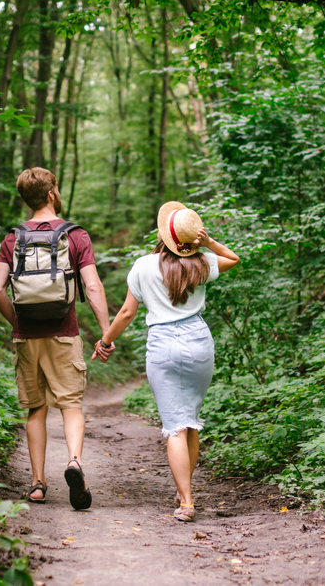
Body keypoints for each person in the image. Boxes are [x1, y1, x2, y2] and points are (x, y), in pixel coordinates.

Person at [92, 201, 239, 522]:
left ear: (163, 235)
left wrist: (106, 341)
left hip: (162, 346)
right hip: (199, 342)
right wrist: (208, 242)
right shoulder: (200, 264)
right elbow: (233, 258)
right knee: (191, 421)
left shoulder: (143, 266)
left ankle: (186, 501)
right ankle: (185, 489)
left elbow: (127, 313)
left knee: (175, 426)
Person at [0, 167, 113, 510]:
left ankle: (38, 484)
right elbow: (92, 286)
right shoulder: (75, 236)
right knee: (70, 404)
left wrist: (17, 320)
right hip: (64, 332)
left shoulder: (13, 239)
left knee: (35, 409)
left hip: (26, 337)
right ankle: (73, 461)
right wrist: (106, 332)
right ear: (51, 195)